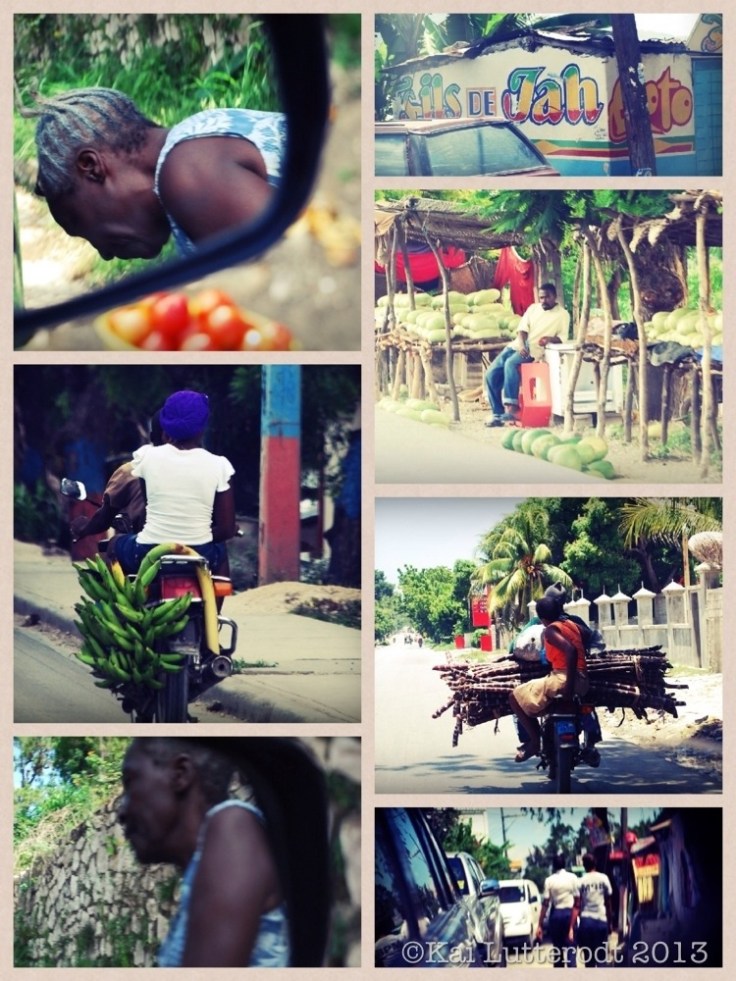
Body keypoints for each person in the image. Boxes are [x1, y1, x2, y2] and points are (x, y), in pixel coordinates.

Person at [117, 737, 330, 966]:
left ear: (181, 774)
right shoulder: (200, 872)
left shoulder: (233, 826)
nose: (121, 811)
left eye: (130, 782)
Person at [22, 87, 286, 260]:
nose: (104, 253)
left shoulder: (188, 175)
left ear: (92, 167)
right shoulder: (194, 147)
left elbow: (298, 282)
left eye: (80, 223)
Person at [114, 390, 236, 576]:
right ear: (202, 427)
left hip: (148, 550)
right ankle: (214, 604)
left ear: (165, 426)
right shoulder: (220, 465)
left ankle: (121, 602)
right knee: (220, 550)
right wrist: (198, 537)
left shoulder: (146, 457)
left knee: (114, 546)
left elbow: (149, 506)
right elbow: (227, 529)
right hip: (201, 552)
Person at [70, 411, 164, 559]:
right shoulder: (207, 467)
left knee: (113, 545)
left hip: (145, 547)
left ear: (152, 437)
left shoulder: (131, 470)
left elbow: (104, 518)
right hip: (201, 547)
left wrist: (85, 528)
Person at [508, 594, 589, 762]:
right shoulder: (573, 625)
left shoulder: (551, 630)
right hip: (583, 681)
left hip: (563, 679)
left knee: (514, 697)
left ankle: (535, 742)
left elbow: (570, 651)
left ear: (541, 618)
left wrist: (567, 688)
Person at [484, 282, 569, 426]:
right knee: (491, 374)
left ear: (554, 296)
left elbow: (562, 337)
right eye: (541, 298)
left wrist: (549, 339)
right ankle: (498, 415)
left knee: (511, 363)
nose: (543, 301)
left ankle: (512, 408)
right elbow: (522, 329)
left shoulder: (562, 315)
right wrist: (522, 344)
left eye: (547, 297)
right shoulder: (533, 309)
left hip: (534, 349)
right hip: (518, 345)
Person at [537, 854, 579, 969]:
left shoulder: (549, 880)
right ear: (564, 864)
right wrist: (572, 925)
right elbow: (577, 902)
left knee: (558, 951)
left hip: (555, 916)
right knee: (571, 948)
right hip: (569, 915)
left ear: (553, 865)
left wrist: (539, 924)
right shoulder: (573, 878)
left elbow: (545, 903)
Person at [575, 853, 613, 968]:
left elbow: (577, 904)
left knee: (589, 960)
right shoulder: (604, 878)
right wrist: (610, 922)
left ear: (584, 866)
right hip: (601, 921)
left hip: (586, 922)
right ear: (595, 863)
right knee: (601, 958)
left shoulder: (580, 881)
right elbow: (608, 903)